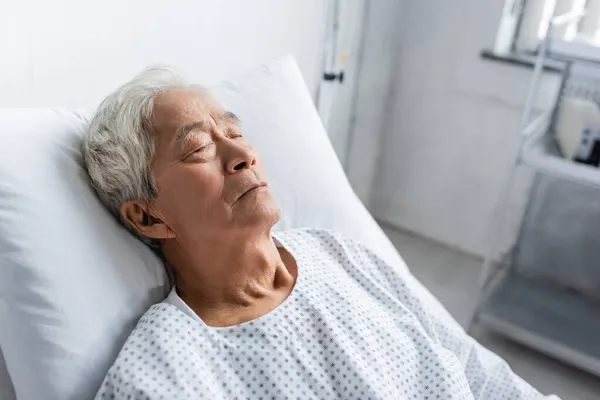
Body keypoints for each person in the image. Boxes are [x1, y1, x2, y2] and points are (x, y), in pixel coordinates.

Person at [84, 66, 558, 400]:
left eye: (234, 131)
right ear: (148, 217)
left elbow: (472, 365)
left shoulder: (338, 254)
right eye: (199, 148)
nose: (241, 154)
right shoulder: (164, 376)